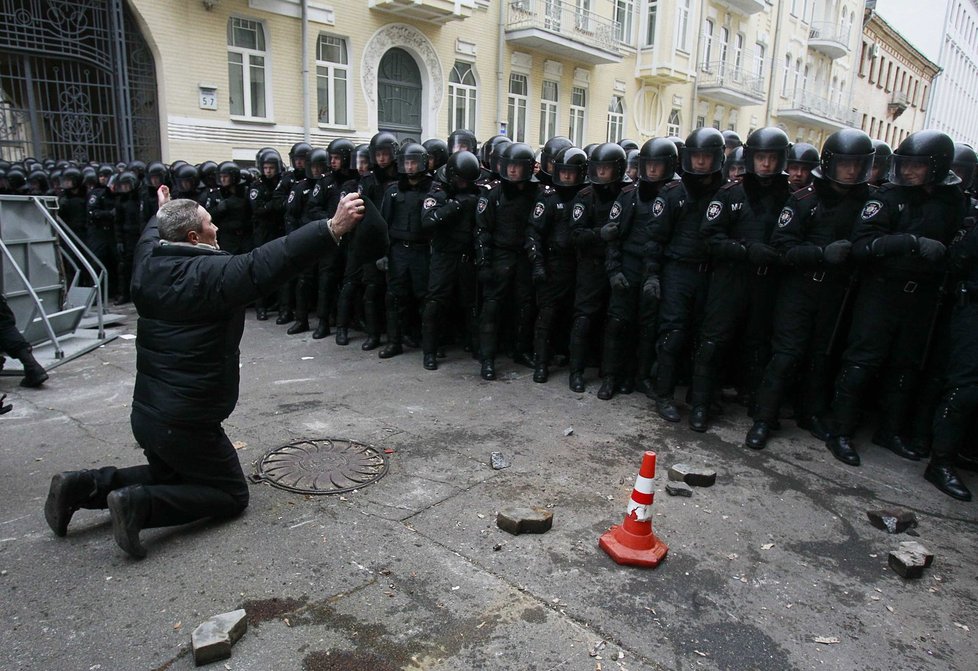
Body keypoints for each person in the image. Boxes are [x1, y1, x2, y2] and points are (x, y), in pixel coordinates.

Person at [43, 185, 366, 558]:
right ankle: (138, 506)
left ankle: (80, 487)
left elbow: (153, 233)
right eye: (210, 224)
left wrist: (162, 210)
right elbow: (269, 262)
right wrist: (331, 227)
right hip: (188, 420)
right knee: (230, 494)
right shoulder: (209, 275)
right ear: (194, 237)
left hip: (149, 413)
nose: (218, 229)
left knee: (174, 477)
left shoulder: (147, 261)